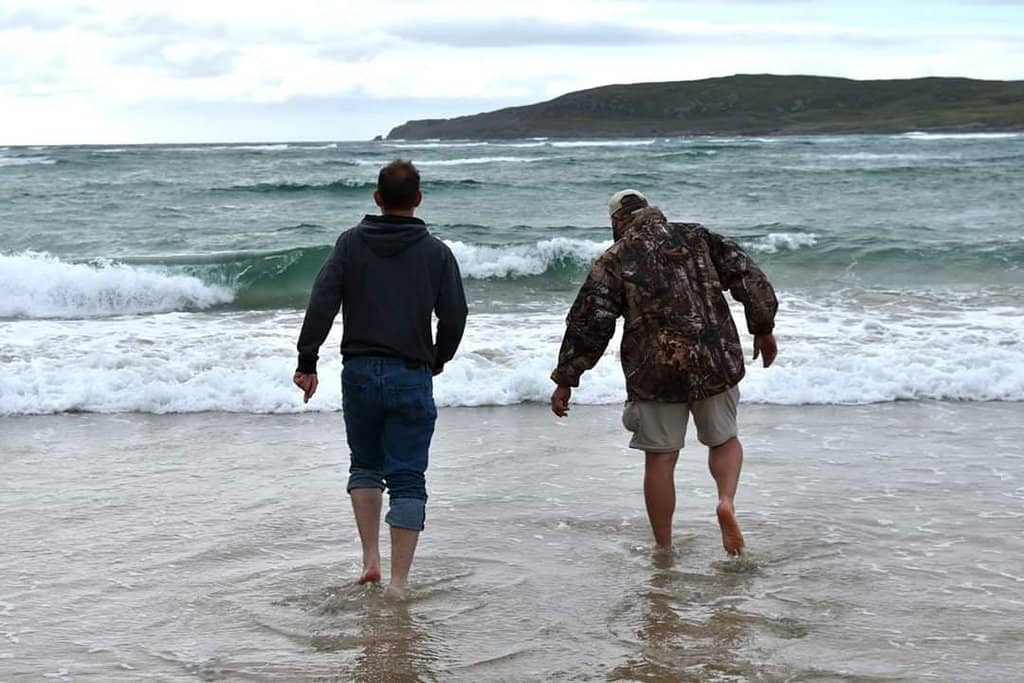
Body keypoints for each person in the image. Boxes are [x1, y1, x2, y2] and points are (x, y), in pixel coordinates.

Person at [550, 190, 778, 556]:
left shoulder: (614, 258)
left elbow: (590, 322)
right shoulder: (697, 236)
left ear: (617, 222)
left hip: (655, 372)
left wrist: (566, 377)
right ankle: (725, 502)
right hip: (714, 359)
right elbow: (748, 276)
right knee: (723, 439)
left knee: (660, 458)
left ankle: (664, 547)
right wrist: (762, 327)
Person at [293, 159, 468, 597]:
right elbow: (455, 315)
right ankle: (398, 583)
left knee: (365, 465)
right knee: (408, 477)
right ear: (418, 200)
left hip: (359, 372)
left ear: (376, 198)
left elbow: (322, 301)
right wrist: (439, 357)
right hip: (411, 371)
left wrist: (307, 359)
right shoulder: (436, 252)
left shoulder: (350, 244)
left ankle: (370, 559)